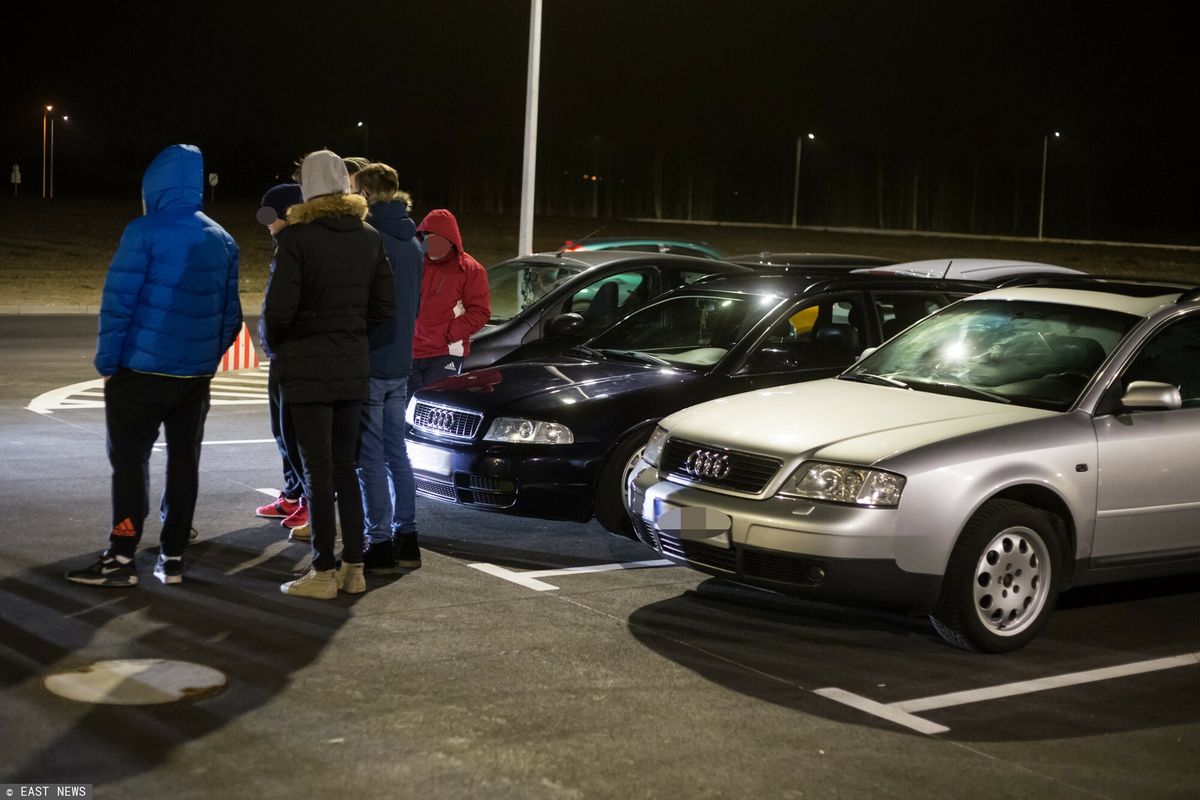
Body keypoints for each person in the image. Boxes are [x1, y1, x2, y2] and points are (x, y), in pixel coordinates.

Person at [66, 144, 242, 587]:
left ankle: (122, 556)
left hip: (139, 374)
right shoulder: (223, 239)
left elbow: (118, 305)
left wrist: (109, 362)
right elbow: (231, 318)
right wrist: (204, 358)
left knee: (130, 464)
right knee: (185, 463)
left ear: (155, 185)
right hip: (193, 379)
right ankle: (174, 555)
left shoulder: (142, 232)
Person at [263, 150, 394, 599]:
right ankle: (354, 568)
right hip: (352, 367)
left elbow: (278, 312)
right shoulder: (370, 237)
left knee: (318, 473)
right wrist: (351, 334)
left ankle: (322, 570)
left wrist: (282, 345)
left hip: (308, 369)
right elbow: (383, 307)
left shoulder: (297, 239)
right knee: (345, 469)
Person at [352, 163, 424, 572]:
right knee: (398, 454)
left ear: (366, 192)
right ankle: (408, 538)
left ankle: (378, 542)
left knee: (370, 458)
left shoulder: (373, 238)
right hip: (401, 359)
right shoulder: (413, 240)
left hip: (373, 358)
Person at [252, 183, 311, 537]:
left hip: (295, 353)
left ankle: (309, 501)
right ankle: (293, 492)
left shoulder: (298, 244)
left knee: (296, 430)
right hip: (281, 353)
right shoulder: (285, 244)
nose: (265, 222)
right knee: (281, 429)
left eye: (269, 214)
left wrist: (276, 340)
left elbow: (284, 307)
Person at [410, 209, 490, 393]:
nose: (432, 247)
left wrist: (450, 333)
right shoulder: (415, 262)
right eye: (428, 241)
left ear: (451, 241)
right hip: (411, 351)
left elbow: (480, 312)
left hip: (445, 354)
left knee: (436, 409)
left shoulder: (471, 270)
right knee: (408, 411)